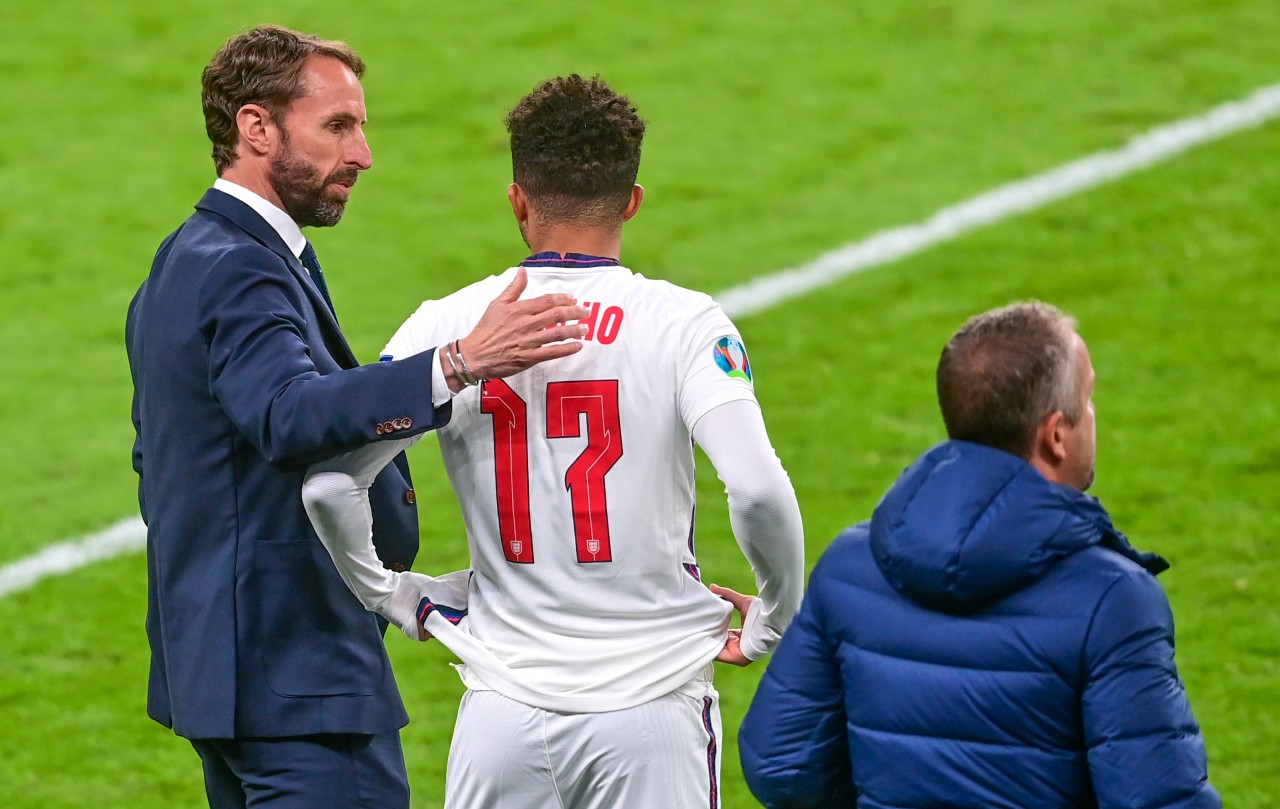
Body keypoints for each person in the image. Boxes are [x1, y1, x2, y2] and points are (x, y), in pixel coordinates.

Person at [301, 74, 805, 808]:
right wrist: (773, 618)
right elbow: (758, 488)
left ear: (518, 199)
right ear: (631, 200)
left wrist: (390, 594)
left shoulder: (450, 324)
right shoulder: (686, 323)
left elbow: (329, 483)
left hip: (500, 715)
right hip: (652, 708)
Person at [125, 25, 588, 809]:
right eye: (338, 126)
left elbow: (165, 457)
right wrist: (457, 363)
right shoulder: (242, 267)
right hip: (295, 680)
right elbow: (286, 412)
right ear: (256, 127)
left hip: (226, 671)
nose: (363, 153)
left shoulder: (188, 255)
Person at [738, 301, 1221, 808]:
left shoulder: (850, 567)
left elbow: (781, 766)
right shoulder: (1112, 599)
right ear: (1056, 435)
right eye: (1090, 398)